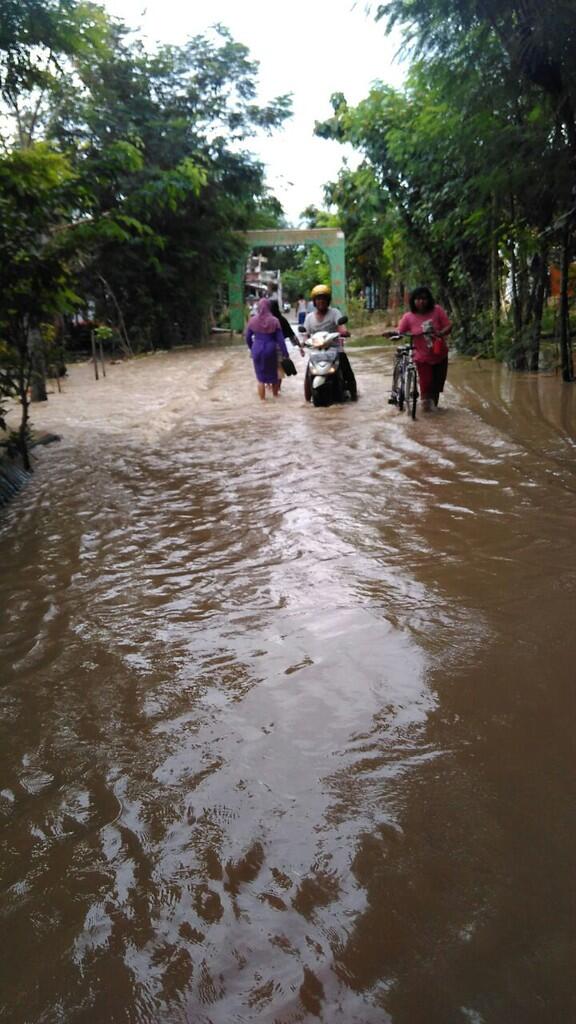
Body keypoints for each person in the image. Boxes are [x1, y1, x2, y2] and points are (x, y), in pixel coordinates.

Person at [386, 286, 451, 411]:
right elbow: (400, 332)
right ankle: (426, 411)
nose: (421, 302)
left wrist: (440, 333)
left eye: (424, 299)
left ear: (429, 300)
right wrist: (392, 335)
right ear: (413, 301)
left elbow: (448, 326)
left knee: (436, 387)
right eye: (418, 299)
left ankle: (433, 412)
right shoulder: (408, 317)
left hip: (440, 354)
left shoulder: (437, 311)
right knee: (426, 386)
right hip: (422, 358)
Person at [303, 284, 357, 400]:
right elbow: (305, 334)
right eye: (318, 299)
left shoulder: (335, 313)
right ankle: (307, 399)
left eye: (323, 299)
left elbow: (341, 327)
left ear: (328, 300)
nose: (321, 301)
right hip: (316, 352)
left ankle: (354, 396)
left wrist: (344, 332)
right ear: (314, 301)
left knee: (347, 371)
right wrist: (304, 342)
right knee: (308, 373)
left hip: (335, 349)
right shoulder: (309, 318)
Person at [245, 297, 289, 400]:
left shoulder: (252, 320)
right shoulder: (275, 321)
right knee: (274, 377)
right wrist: (285, 353)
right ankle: (275, 399)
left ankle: (263, 402)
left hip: (257, 348)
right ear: (269, 307)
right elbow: (280, 340)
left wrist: (252, 347)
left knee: (260, 379)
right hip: (271, 350)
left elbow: (247, 337)